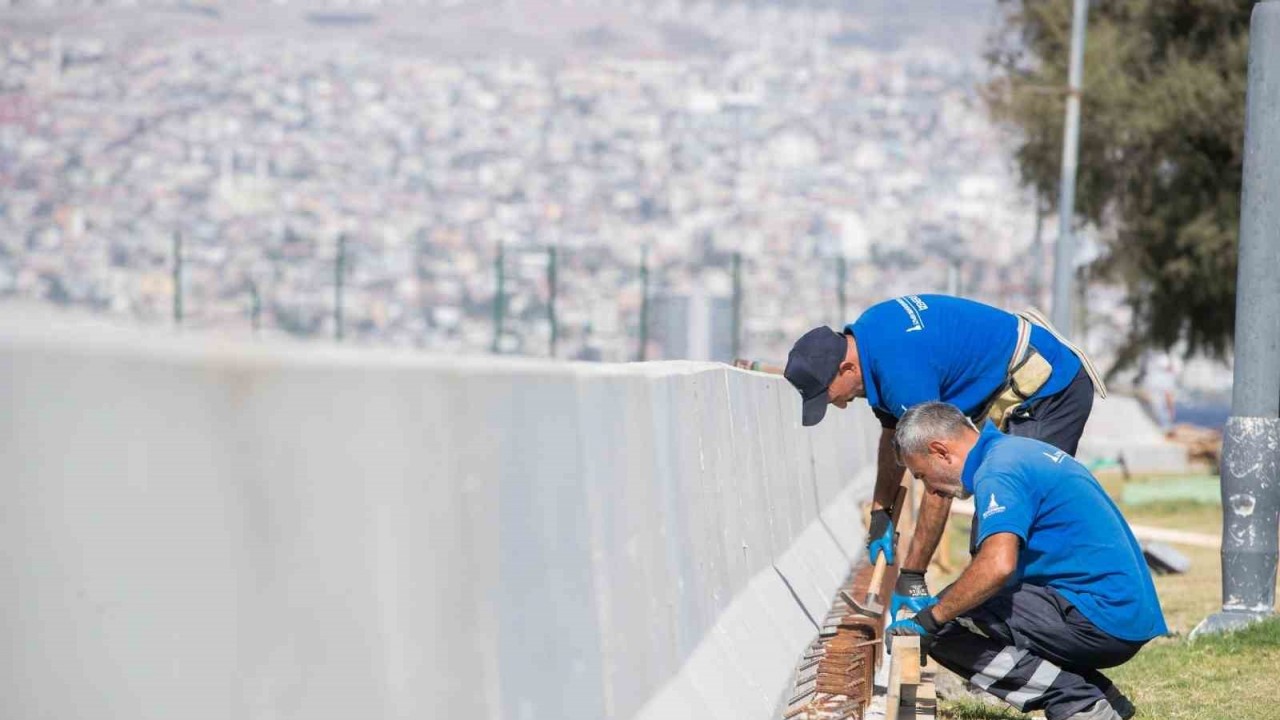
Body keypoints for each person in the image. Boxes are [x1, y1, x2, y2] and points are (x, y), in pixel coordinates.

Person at [782, 294, 1105, 619]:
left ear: (847, 368)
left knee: (1006, 524)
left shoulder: (900, 372)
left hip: (1050, 391)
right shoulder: (870, 340)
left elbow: (941, 477)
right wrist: (882, 512)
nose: (837, 404)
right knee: (996, 530)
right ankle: (1009, 619)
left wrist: (913, 574)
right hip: (1014, 393)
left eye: (829, 396)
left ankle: (1058, 621)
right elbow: (894, 433)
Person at [885, 402, 1166, 720]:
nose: (931, 488)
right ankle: (1099, 696)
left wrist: (927, 621)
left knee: (943, 625)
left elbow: (997, 565)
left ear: (940, 450)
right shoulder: (1013, 452)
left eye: (922, 475)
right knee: (954, 604)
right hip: (1119, 612)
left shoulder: (998, 472)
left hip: (1102, 619)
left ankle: (1078, 702)